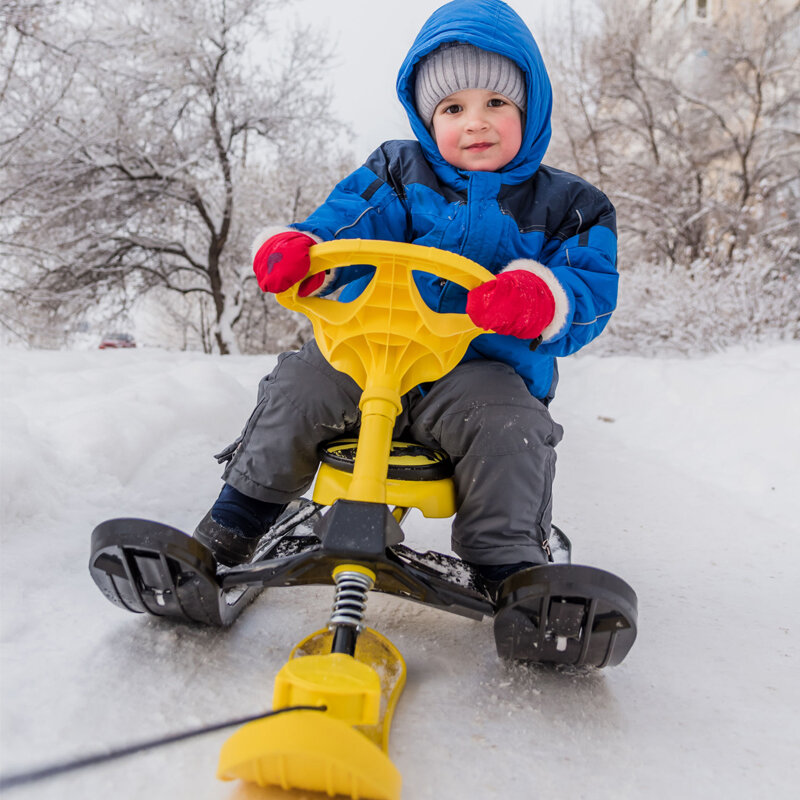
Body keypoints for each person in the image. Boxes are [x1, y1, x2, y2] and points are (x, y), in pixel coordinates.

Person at [194, 0, 618, 588]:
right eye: (453, 107)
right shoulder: (398, 172)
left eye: (497, 102)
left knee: (509, 426)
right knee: (300, 382)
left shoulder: (571, 204)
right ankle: (235, 521)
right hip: (368, 354)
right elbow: (346, 224)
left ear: (532, 107)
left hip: (477, 372)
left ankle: (507, 565)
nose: (476, 122)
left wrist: (538, 299)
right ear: (426, 118)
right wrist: (304, 256)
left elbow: (589, 285)